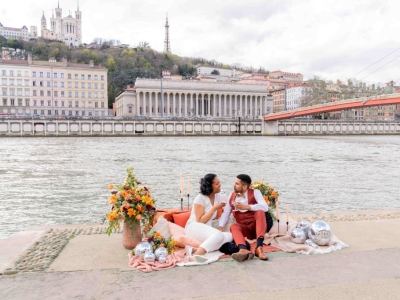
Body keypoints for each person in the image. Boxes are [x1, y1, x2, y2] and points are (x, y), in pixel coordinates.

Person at [218, 174, 269, 262]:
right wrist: (220, 226)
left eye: (237, 184)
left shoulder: (255, 192)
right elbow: (226, 213)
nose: (234, 185)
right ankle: (243, 249)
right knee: (234, 226)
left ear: (245, 186)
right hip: (245, 230)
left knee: (260, 212)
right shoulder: (232, 196)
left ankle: (259, 248)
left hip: (256, 227)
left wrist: (247, 207)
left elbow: (265, 207)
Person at [184, 174, 233, 256]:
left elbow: (230, 202)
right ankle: (197, 254)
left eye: (219, 183)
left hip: (207, 230)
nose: (220, 185)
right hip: (194, 227)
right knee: (219, 235)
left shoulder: (218, 196)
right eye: (217, 184)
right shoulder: (200, 198)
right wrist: (214, 208)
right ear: (210, 186)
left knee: (230, 236)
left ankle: (194, 250)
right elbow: (200, 220)